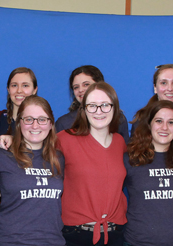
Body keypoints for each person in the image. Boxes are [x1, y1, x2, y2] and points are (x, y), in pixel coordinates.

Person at [58, 82, 127, 246]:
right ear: (83, 109)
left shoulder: (120, 142)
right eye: (92, 106)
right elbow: (34, 149)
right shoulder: (64, 139)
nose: (99, 111)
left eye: (105, 105)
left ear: (114, 108)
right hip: (76, 235)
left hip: (115, 234)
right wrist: (9, 138)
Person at [0, 95, 65, 246]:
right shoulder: (1, 155)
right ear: (19, 123)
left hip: (52, 241)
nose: (35, 126)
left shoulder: (58, 159)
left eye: (42, 119)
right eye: (29, 119)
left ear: (51, 124)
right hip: (10, 241)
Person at [124, 100, 173, 246]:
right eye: (159, 121)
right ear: (149, 124)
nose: (164, 127)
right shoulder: (131, 159)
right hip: (139, 241)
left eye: (171, 122)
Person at [55, 65, 129, 143]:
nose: (80, 90)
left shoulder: (118, 119)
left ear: (100, 85)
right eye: (76, 87)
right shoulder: (64, 123)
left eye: (86, 84)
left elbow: (125, 151)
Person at [0, 67, 38, 142]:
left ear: (34, 90)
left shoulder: (42, 122)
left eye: (25, 85)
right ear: (8, 90)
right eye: (14, 85)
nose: (19, 90)